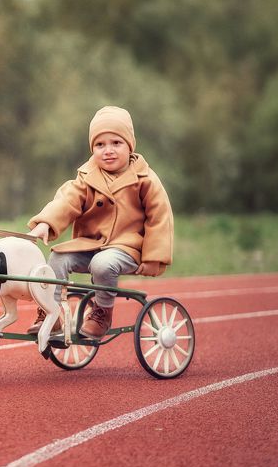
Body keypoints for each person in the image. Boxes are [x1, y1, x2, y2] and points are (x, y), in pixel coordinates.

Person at [26, 106, 174, 338]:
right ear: (92, 148)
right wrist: (46, 222)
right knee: (57, 258)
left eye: (116, 143)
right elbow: (67, 201)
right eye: (100, 145)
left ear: (130, 145)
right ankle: (51, 313)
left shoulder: (145, 179)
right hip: (90, 244)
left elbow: (160, 217)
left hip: (127, 248)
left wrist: (154, 257)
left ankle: (102, 312)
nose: (108, 151)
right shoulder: (87, 177)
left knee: (103, 264)